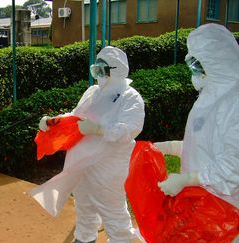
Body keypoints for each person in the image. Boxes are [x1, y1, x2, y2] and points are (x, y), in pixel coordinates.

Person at [31, 46, 145, 243]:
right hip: (82, 162)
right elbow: (76, 117)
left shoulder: (130, 96)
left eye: (102, 70)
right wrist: (54, 121)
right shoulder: (93, 92)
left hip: (109, 167)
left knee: (113, 213)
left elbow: (130, 128)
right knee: (84, 208)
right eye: (96, 70)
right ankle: (84, 239)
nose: (98, 75)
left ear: (115, 70)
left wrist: (99, 129)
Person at [156, 24, 239, 210]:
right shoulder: (212, 92)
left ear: (215, 61)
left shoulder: (234, 101)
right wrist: (170, 147)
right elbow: (206, 146)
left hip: (224, 210)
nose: (193, 69)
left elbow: (233, 169)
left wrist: (189, 179)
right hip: (200, 202)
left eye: (197, 63)